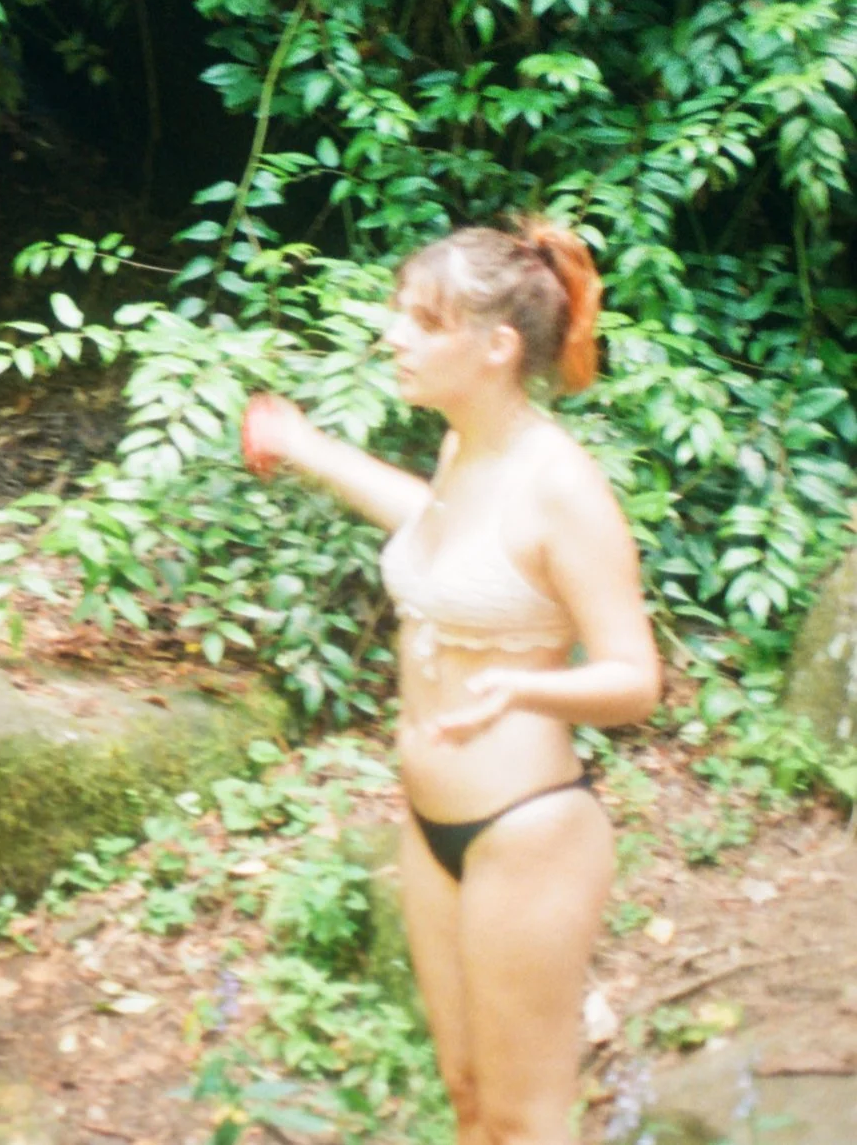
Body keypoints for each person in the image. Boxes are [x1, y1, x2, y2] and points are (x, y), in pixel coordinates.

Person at [241, 219, 659, 1145]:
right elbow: (439, 532)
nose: (393, 336)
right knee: (469, 1101)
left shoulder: (564, 488)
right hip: (432, 826)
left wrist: (525, 692)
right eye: (398, 315)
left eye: (421, 322)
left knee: (524, 1123)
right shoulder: (467, 447)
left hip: (529, 830)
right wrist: (309, 449)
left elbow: (637, 680)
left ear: (496, 347)